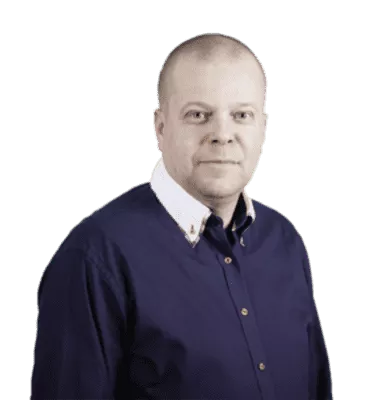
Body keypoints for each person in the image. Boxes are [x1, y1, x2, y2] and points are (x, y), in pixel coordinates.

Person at [30, 32, 333, 399]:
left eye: (241, 115)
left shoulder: (284, 241)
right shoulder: (94, 259)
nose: (222, 135)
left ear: (263, 127)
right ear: (160, 127)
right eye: (198, 115)